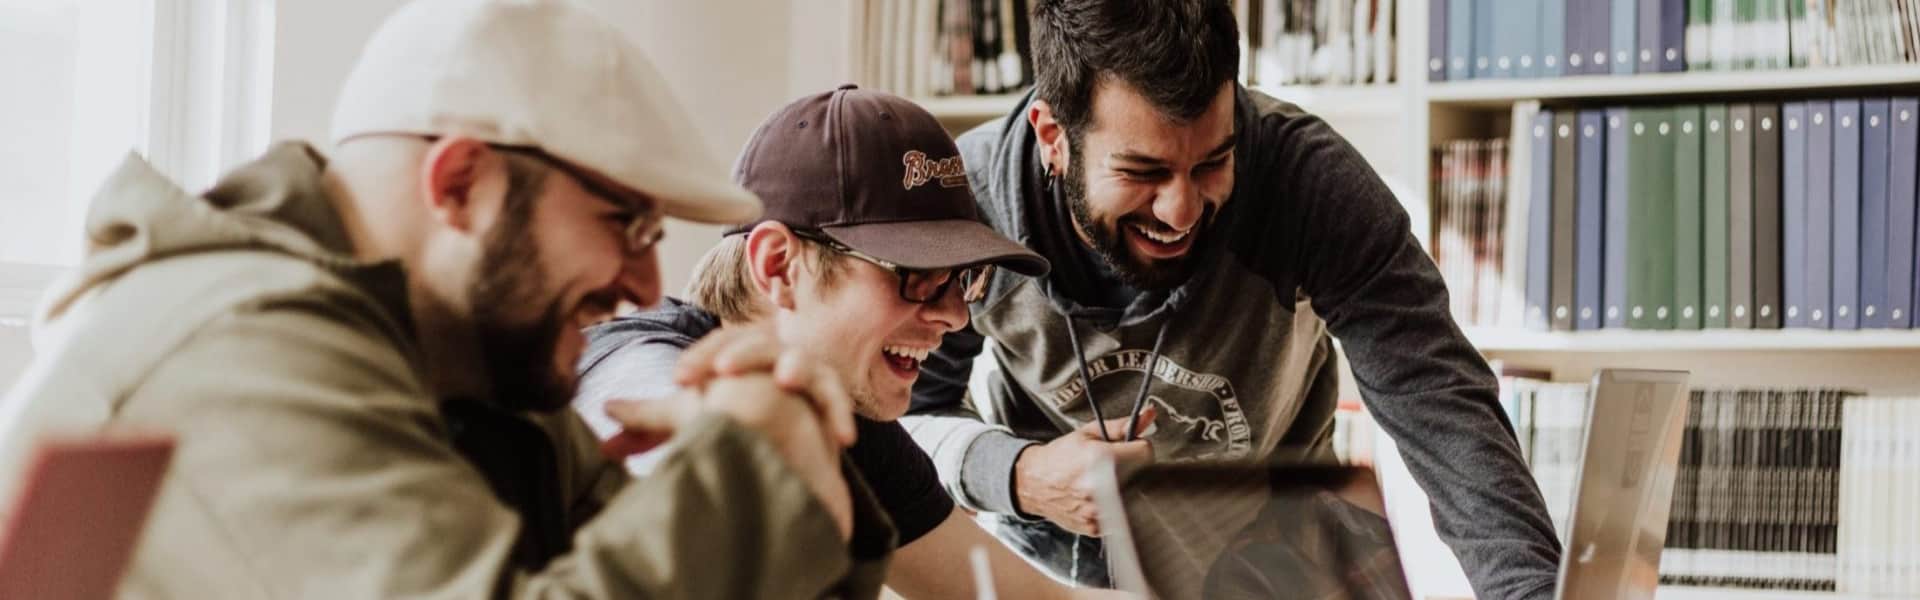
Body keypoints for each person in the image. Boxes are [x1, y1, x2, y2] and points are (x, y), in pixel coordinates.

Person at [0, 0, 891, 597]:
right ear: (461, 181)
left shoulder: (465, 362)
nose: (647, 287)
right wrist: (747, 463)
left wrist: (795, 450)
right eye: (625, 223)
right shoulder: (239, 347)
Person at [901, 0, 1563, 598]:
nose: (1182, 210)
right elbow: (898, 421)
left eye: (1212, 161)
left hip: (1273, 562)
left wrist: (1529, 591)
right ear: (1053, 137)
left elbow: (1442, 404)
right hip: (1051, 574)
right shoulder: (970, 206)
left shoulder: (1308, 184)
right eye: (1143, 172)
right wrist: (1020, 475)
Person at [575, 85, 1132, 599]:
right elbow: (660, 433)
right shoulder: (636, 362)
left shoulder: (849, 418)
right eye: (917, 277)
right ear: (778, 266)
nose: (956, 317)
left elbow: (1030, 599)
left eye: (963, 279)